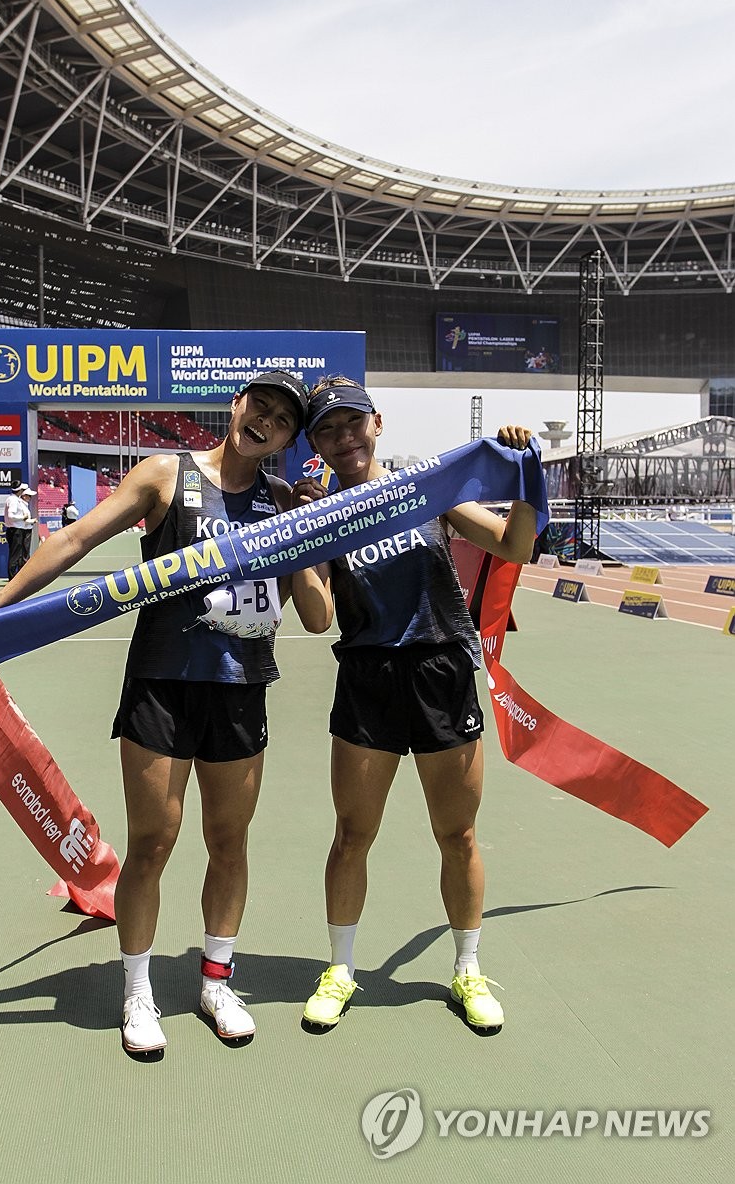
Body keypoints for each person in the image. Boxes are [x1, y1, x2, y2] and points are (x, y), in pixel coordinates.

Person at [0, 372, 330, 1055]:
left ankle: (215, 982)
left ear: (287, 440)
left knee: (229, 843)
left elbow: (316, 615)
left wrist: (307, 531)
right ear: (235, 403)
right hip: (161, 685)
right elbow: (75, 542)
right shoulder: (164, 474)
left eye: (279, 420)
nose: (263, 421)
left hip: (240, 690)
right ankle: (138, 990)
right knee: (153, 844)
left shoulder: (279, 501)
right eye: (258, 405)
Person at [291, 377, 537, 1033]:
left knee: (455, 835)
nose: (343, 438)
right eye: (327, 430)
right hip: (367, 678)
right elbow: (315, 619)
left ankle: (466, 970)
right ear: (315, 443)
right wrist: (299, 537)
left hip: (440, 671)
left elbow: (514, 544)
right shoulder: (321, 513)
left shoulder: (427, 494)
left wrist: (523, 474)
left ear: (376, 424)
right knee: (352, 835)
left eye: (352, 424)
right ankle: (340, 971)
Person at [3, 482, 37, 580]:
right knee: (15, 556)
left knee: (18, 555)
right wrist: (23, 517)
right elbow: (11, 516)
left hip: (17, 529)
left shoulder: (15, 500)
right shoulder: (13, 500)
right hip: (15, 530)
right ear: (20, 491)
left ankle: (15, 577)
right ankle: (13, 578)